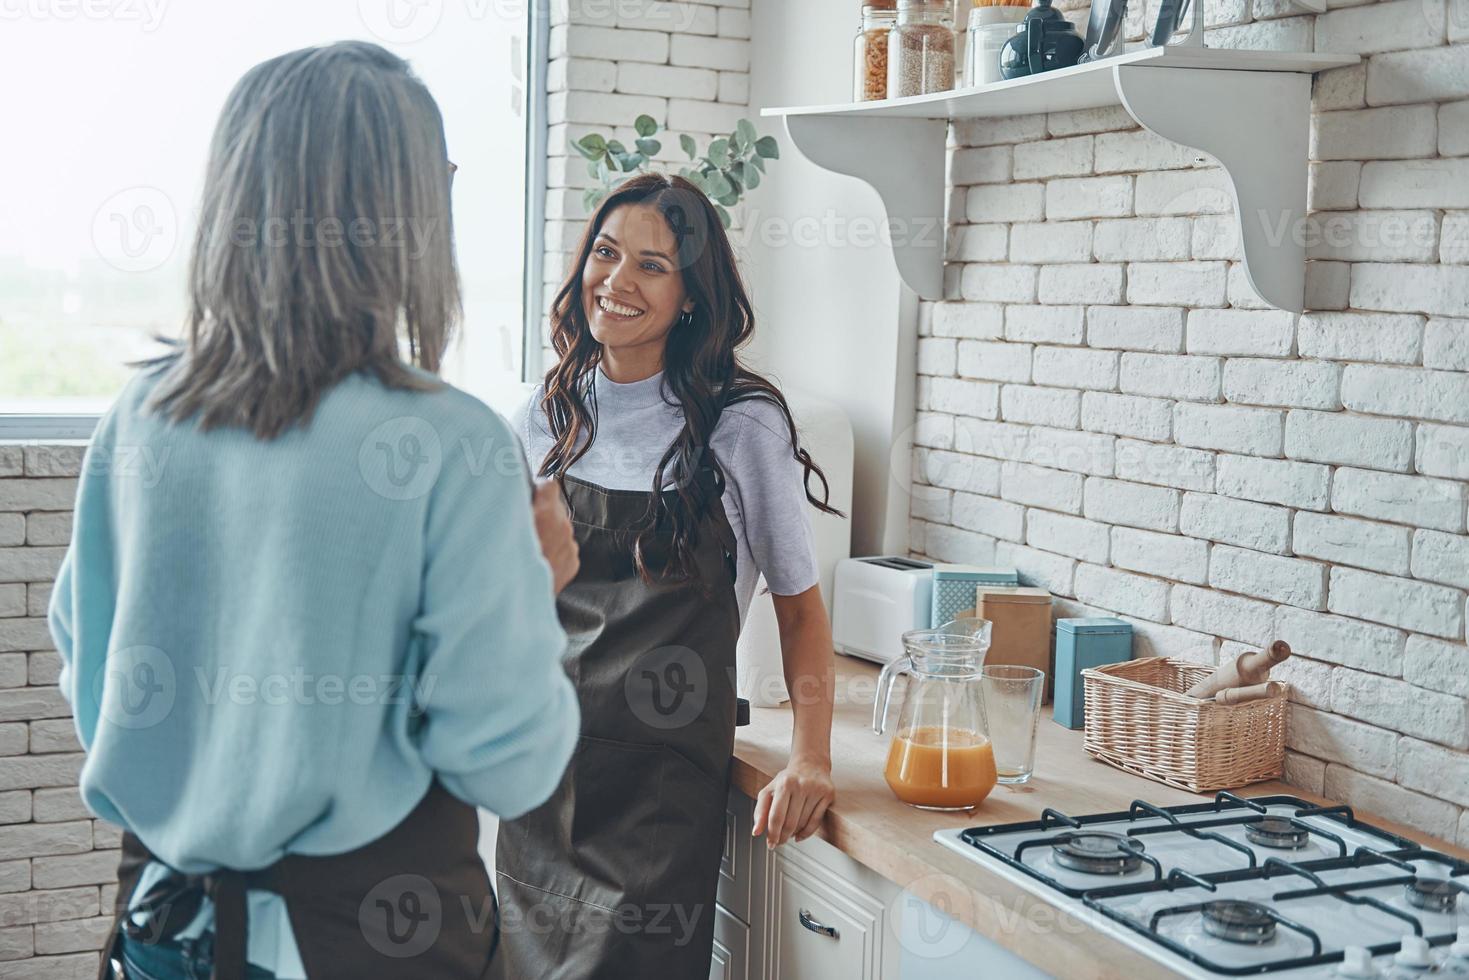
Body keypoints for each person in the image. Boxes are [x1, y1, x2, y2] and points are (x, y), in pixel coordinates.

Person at [47, 41, 580, 980]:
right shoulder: (449, 443)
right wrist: (530, 589)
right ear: (404, 211)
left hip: (164, 933)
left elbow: (93, 680)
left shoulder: (139, 417)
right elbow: (505, 765)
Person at [492, 172, 841, 979]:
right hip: (545, 783)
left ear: (690, 295)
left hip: (659, 795)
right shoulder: (542, 420)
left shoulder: (741, 424)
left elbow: (799, 609)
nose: (616, 282)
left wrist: (810, 758)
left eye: (650, 265)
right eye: (606, 254)